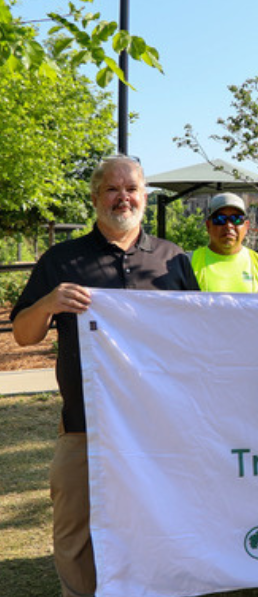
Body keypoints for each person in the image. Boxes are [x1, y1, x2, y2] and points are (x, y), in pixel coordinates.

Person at [10, 154, 199, 597]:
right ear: (95, 196)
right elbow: (21, 335)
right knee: (75, 527)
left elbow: (194, 337)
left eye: (131, 188)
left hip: (157, 428)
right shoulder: (62, 260)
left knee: (157, 521)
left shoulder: (174, 261)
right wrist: (47, 304)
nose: (122, 197)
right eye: (111, 189)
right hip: (84, 426)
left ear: (145, 197)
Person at [190, 192, 258, 292]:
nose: (229, 225)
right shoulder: (189, 263)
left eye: (236, 219)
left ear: (246, 226)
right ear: (208, 226)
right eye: (220, 219)